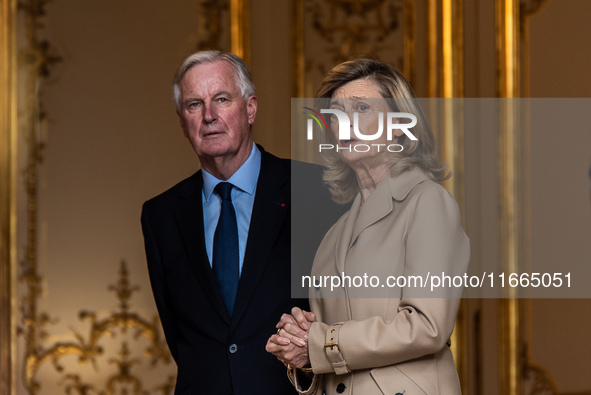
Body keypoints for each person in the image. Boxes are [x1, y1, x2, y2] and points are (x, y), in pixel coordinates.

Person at [141, 50, 344, 394]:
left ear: (250, 109)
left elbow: (343, 313)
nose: (208, 116)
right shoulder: (161, 215)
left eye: (221, 99)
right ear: (182, 121)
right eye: (194, 104)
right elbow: (180, 337)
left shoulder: (320, 192)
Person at [266, 58, 470, 395]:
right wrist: (300, 346)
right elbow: (334, 349)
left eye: (361, 108)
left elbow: (427, 326)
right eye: (335, 114)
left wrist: (320, 343)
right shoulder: (334, 233)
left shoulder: (428, 202)